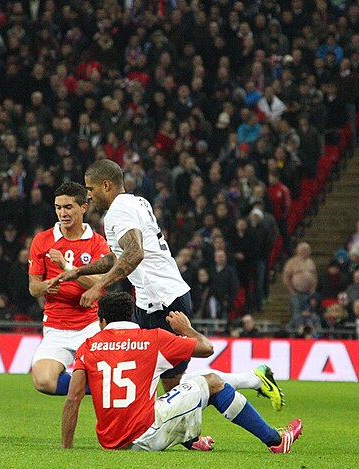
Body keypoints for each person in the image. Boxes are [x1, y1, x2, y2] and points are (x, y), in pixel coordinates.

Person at [50, 159, 283, 413]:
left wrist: (98, 287)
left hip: (165, 300)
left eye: (91, 189)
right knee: (161, 379)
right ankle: (244, 386)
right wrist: (79, 272)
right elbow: (118, 256)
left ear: (106, 185)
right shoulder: (137, 202)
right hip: (149, 301)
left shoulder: (118, 211)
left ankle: (249, 381)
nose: (90, 196)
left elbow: (135, 252)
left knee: (174, 384)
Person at [61, 292, 302, 453]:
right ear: (132, 315)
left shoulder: (89, 345)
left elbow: (73, 399)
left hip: (111, 443)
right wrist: (186, 328)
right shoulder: (152, 339)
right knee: (213, 382)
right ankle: (276, 440)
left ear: (101, 320)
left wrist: (66, 447)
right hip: (145, 436)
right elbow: (207, 348)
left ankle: (191, 439)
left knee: (166, 397)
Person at [28, 182, 110, 395]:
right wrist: (47, 286)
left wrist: (66, 267)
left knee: (109, 375)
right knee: (43, 381)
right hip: (56, 327)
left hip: (89, 325)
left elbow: (99, 285)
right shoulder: (42, 240)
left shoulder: (97, 243)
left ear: (83, 207)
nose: (62, 213)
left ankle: (96, 384)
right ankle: (89, 386)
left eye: (68, 207)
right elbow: (33, 288)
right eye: (58, 207)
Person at [283, 242, 318, 319]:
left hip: (309, 293)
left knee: (310, 314)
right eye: (303, 249)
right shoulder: (291, 262)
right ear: (297, 250)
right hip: (297, 293)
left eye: (307, 249)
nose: (306, 251)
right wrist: (292, 291)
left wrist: (313, 289)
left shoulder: (311, 262)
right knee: (297, 315)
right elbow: (286, 277)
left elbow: (314, 276)